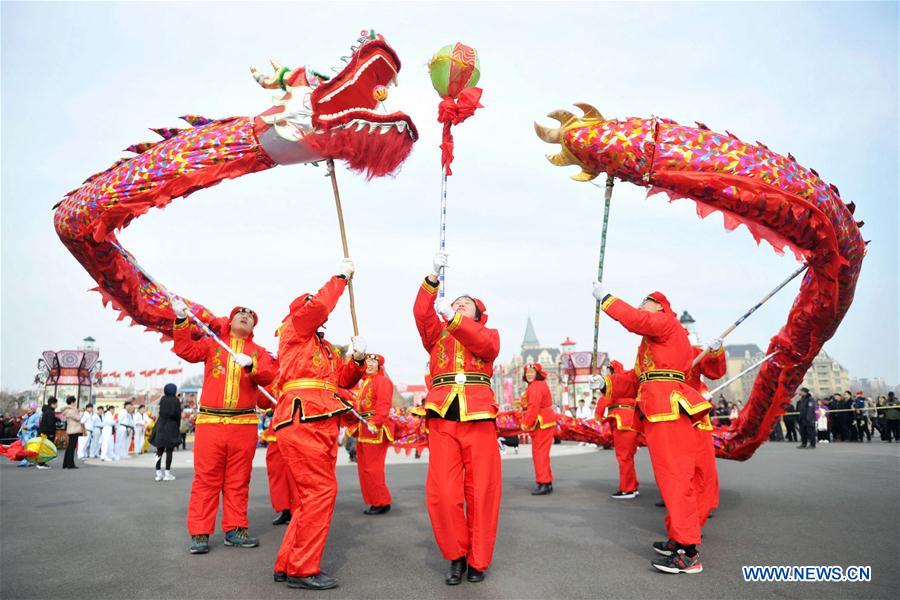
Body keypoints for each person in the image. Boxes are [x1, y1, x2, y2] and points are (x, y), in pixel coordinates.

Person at [591, 284, 711, 575]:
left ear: (660, 306)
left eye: (645, 302)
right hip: (656, 408)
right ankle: (678, 538)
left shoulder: (666, 323)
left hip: (667, 406)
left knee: (676, 477)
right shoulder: (651, 344)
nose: (641, 306)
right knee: (670, 478)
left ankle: (688, 551)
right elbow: (635, 378)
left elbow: (636, 320)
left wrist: (607, 300)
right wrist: (607, 384)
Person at [270, 260, 366, 591]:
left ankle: (287, 563)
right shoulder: (295, 329)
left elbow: (343, 381)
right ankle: (302, 568)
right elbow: (320, 306)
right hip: (302, 418)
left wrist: (357, 361)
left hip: (321, 419)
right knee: (321, 491)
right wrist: (339, 278)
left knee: (310, 496)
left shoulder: (322, 349)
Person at [414, 251, 502, 586]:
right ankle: (456, 554)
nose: (460, 304)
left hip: (478, 414)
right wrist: (432, 280)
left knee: (482, 491)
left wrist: (454, 318)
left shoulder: (488, 334)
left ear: (479, 313)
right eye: (457, 302)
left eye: (467, 304)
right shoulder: (437, 335)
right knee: (443, 493)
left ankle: (479, 559)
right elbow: (421, 313)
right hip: (442, 415)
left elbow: (481, 344)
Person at [171, 299, 277, 555]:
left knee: (239, 481)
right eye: (240, 313)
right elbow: (185, 349)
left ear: (253, 326)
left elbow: (270, 378)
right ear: (230, 321)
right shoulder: (213, 344)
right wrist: (181, 321)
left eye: (250, 315)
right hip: (211, 423)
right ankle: (199, 533)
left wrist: (252, 366)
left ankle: (236, 528)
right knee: (206, 479)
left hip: (244, 424)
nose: (245, 315)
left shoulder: (259, 352)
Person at [685, 341, 726, 527]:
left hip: (697, 422)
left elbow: (714, 371)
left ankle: (704, 506)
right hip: (671, 419)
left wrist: (715, 353)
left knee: (702, 468)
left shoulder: (693, 353)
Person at [351, 353, 395, 515]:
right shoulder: (363, 383)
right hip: (364, 427)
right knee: (364, 468)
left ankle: (382, 501)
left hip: (375, 428)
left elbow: (384, 404)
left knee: (372, 468)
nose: (369, 364)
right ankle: (374, 500)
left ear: (379, 365)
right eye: (367, 361)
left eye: (372, 362)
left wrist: (376, 422)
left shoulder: (382, 381)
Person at [595, 360, 640, 499]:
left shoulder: (615, 382)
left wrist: (598, 417)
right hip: (633, 421)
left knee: (623, 457)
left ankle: (627, 489)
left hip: (622, 422)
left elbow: (604, 401)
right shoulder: (628, 381)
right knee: (628, 457)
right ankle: (632, 485)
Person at [521, 363, 557, 496]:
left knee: (539, 453)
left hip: (541, 422)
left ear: (537, 373)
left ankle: (543, 483)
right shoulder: (538, 385)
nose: (529, 374)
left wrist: (526, 423)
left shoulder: (536, 386)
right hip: (544, 421)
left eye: (531, 372)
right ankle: (546, 482)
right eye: (527, 372)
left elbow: (533, 406)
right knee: (542, 453)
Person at [151, 383, 183, 482]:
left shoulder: (162, 399)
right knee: (169, 450)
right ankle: (167, 473)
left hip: (161, 425)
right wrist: (178, 425)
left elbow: (160, 412)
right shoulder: (176, 401)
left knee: (159, 450)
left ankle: (158, 473)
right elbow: (178, 415)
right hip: (171, 426)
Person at [36, 397, 60, 469]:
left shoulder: (47, 411)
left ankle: (41, 463)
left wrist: (56, 419)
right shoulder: (50, 412)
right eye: (56, 404)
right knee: (45, 448)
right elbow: (50, 424)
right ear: (52, 404)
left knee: (43, 447)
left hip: (43, 432)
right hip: (47, 433)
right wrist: (52, 433)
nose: (57, 405)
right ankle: (41, 463)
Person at [61, 396, 83, 469]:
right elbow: (78, 418)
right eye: (75, 402)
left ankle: (66, 464)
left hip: (72, 430)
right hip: (74, 430)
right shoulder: (70, 411)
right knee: (71, 448)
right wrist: (81, 413)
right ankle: (70, 464)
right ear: (72, 402)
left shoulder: (69, 410)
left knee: (69, 448)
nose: (75, 403)